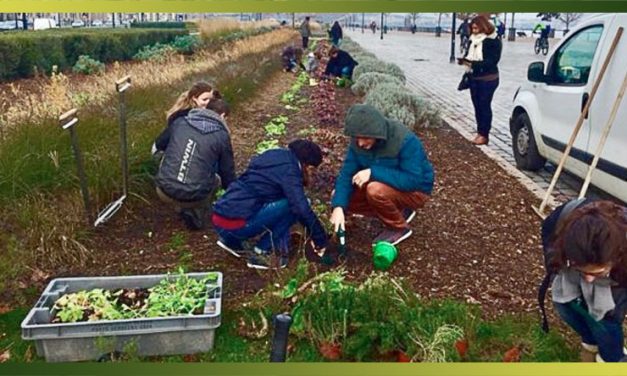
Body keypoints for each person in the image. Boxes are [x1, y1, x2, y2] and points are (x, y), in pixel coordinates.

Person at [212, 140, 329, 270]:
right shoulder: (290, 170)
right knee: (295, 205)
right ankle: (262, 253)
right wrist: (320, 239)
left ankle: (231, 242)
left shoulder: (274, 154)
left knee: (285, 202)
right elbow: (300, 208)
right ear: (307, 165)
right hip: (235, 224)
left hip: (220, 218)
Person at [329, 104, 434, 246]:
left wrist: (373, 172)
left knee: (375, 190)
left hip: (416, 191)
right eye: (357, 138)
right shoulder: (358, 144)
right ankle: (399, 211)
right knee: (338, 195)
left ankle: (398, 228)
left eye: (365, 138)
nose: (360, 143)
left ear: (376, 134)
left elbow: (413, 180)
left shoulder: (405, 140)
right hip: (390, 185)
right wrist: (338, 207)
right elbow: (346, 175)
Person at [539, 199, 627, 362]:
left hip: (620, 275)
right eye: (584, 271)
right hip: (571, 268)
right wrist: (560, 264)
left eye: (597, 272)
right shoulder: (561, 219)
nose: (588, 279)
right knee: (566, 305)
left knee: (606, 317)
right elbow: (549, 245)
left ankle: (612, 358)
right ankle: (591, 342)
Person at [154, 98, 235, 230]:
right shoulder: (221, 135)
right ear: (222, 116)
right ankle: (195, 211)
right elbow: (227, 173)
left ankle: (179, 201)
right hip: (196, 197)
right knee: (216, 178)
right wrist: (234, 195)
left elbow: (158, 147)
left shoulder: (180, 122)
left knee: (166, 156)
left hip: (163, 190)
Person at [458, 15, 502, 146]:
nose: (474, 29)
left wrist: (473, 64)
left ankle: (484, 134)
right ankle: (479, 132)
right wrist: (465, 61)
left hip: (488, 79)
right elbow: (470, 56)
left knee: (484, 105)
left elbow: (492, 61)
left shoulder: (492, 41)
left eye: (476, 27)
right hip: (474, 78)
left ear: (483, 26)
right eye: (472, 27)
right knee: (477, 106)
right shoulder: (472, 40)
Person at [152, 82, 221, 156]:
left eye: (210, 100)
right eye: (204, 99)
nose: (207, 103)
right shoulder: (186, 116)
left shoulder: (203, 112)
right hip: (162, 150)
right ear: (195, 99)